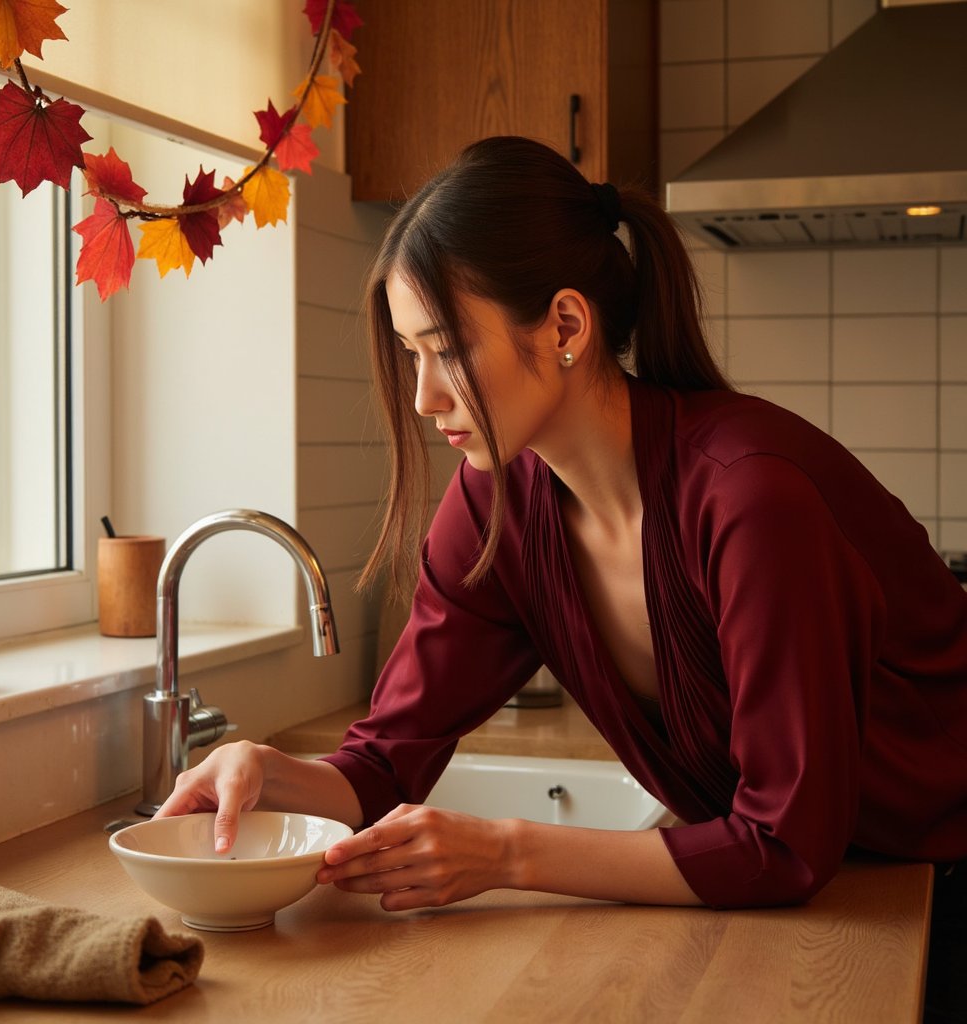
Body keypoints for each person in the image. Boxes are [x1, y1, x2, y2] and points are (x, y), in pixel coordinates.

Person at [156, 136, 967, 1018]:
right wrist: (261, 770)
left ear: (567, 327)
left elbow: (781, 845)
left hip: (936, 881)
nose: (424, 396)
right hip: (837, 897)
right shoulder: (494, 505)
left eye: (445, 348)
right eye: (408, 354)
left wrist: (505, 853)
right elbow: (386, 762)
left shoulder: (748, 500)